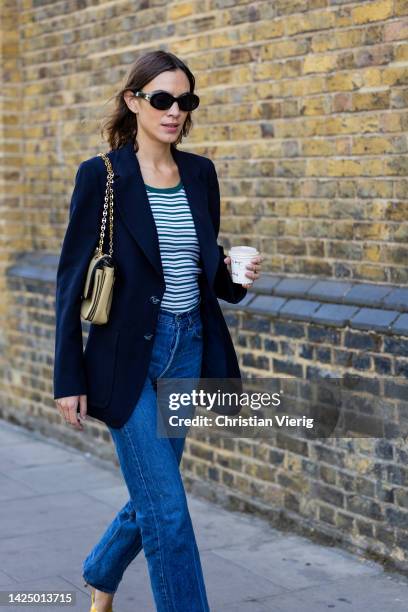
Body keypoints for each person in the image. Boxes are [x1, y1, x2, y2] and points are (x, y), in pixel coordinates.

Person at [53, 49, 264, 612]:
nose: (175, 112)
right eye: (162, 99)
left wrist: (236, 277)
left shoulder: (200, 172)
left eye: (185, 101)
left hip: (188, 347)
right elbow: (70, 282)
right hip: (124, 359)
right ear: (134, 101)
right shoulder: (102, 176)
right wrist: (67, 377)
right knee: (167, 510)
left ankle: (100, 572)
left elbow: (204, 271)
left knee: (154, 494)